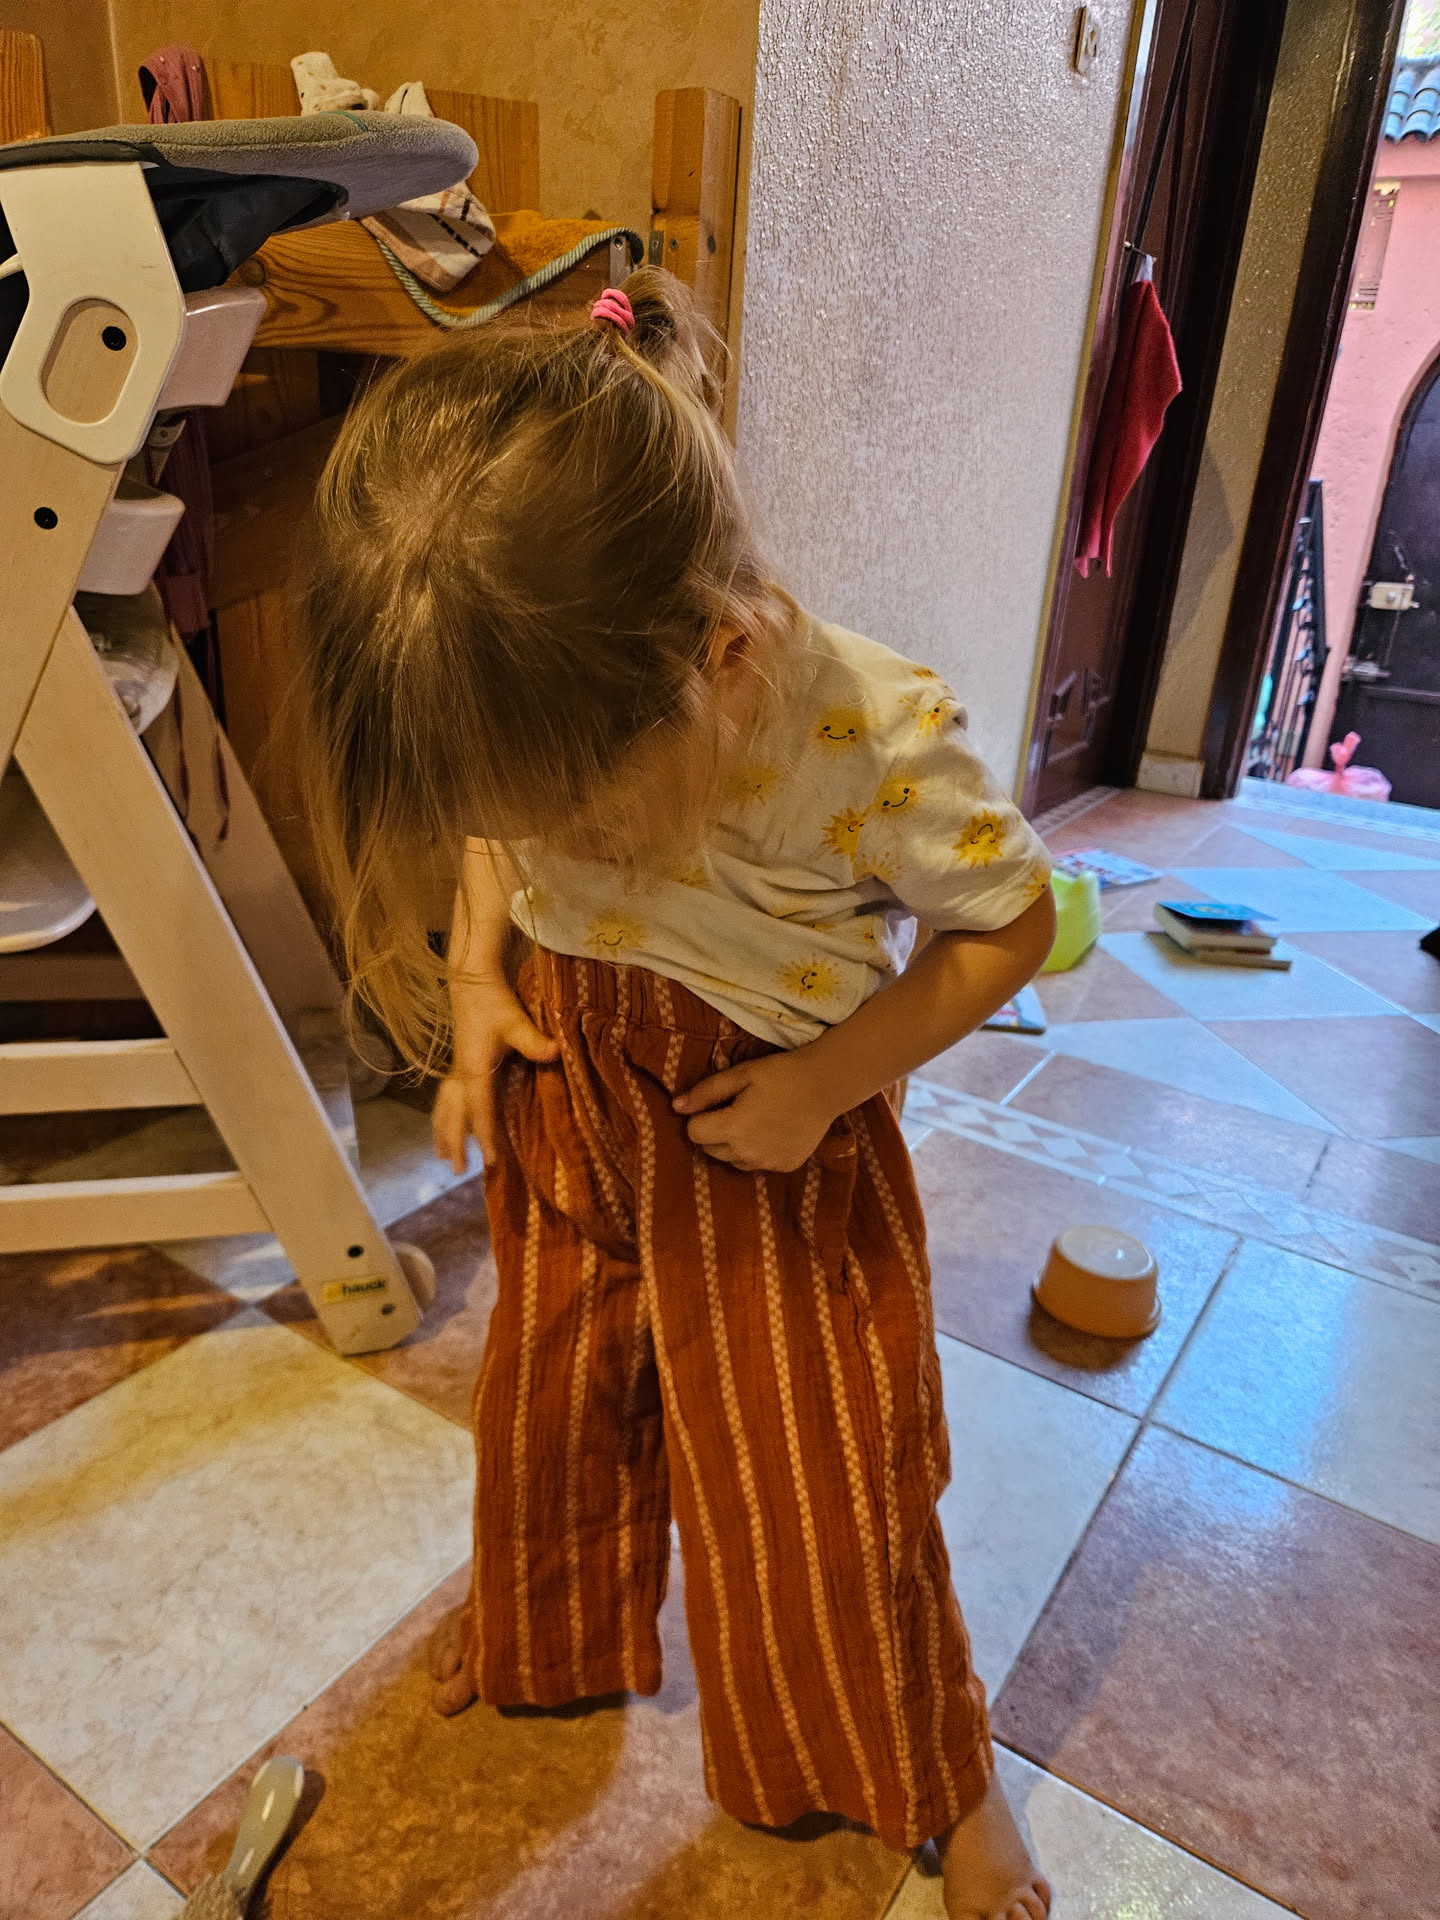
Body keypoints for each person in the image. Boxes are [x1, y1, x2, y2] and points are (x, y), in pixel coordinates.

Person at [299, 270, 1057, 1920]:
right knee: (549, 1402)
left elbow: (1016, 924)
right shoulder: (549, 692)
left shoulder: (873, 733)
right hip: (578, 1088)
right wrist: (481, 980)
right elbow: (495, 829)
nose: (546, 839)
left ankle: (933, 1767)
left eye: (578, 812)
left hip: (764, 1122)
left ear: (722, 663)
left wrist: (828, 1090)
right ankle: (547, 1633)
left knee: (821, 1472)